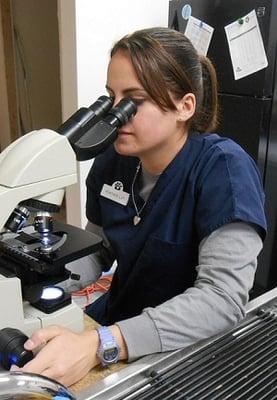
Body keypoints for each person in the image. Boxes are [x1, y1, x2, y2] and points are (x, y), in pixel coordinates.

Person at [14, 27, 266, 387]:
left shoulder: (223, 170)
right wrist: (39, 281)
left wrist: (102, 344)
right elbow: (97, 250)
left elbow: (221, 300)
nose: (116, 114)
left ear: (185, 106)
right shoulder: (114, 161)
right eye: (110, 98)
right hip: (115, 324)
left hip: (190, 350)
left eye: (134, 99)